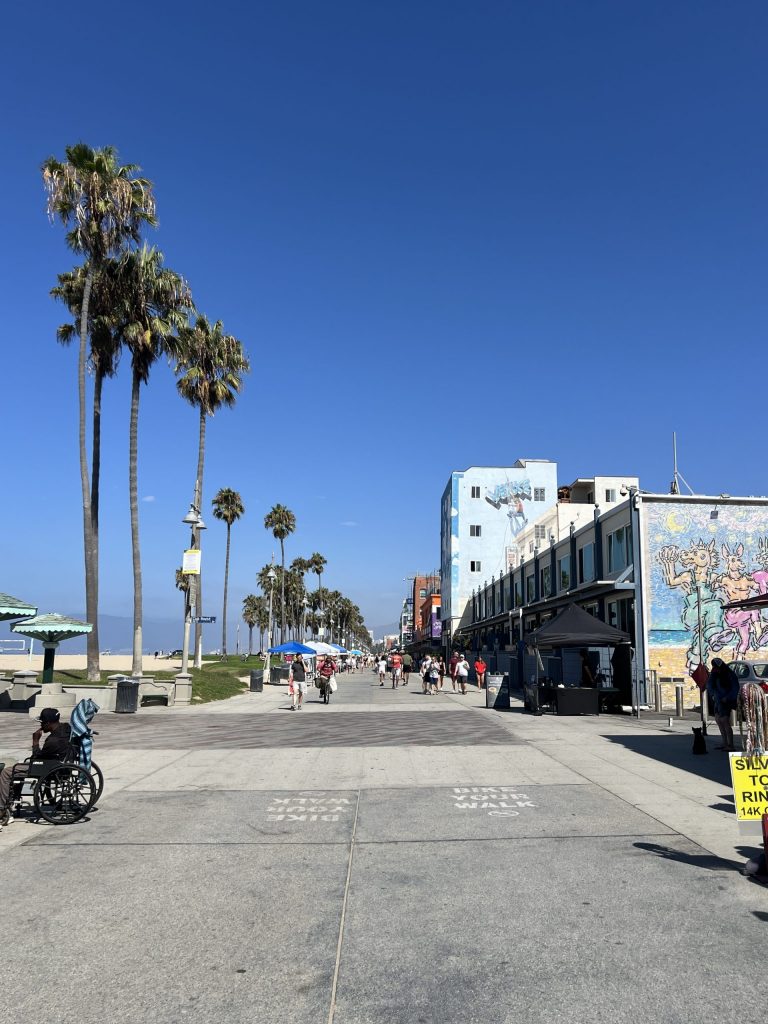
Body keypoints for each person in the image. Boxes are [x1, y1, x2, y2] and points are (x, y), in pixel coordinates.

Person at [0, 708, 72, 828]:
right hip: (57, 762)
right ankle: (11, 798)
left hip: (46, 767)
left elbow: (36, 759)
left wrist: (35, 741)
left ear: (48, 723)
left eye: (42, 723)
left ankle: (2, 808)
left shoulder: (53, 741)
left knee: (7, 772)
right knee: (17, 767)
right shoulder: (65, 728)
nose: (41, 725)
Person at [707, 658, 740, 751]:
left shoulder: (730, 674)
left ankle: (730, 745)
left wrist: (728, 697)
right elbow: (709, 685)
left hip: (726, 701)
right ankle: (724, 743)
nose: (715, 669)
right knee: (718, 720)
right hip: (718, 700)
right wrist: (713, 694)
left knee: (725, 721)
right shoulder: (715, 674)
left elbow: (735, 688)